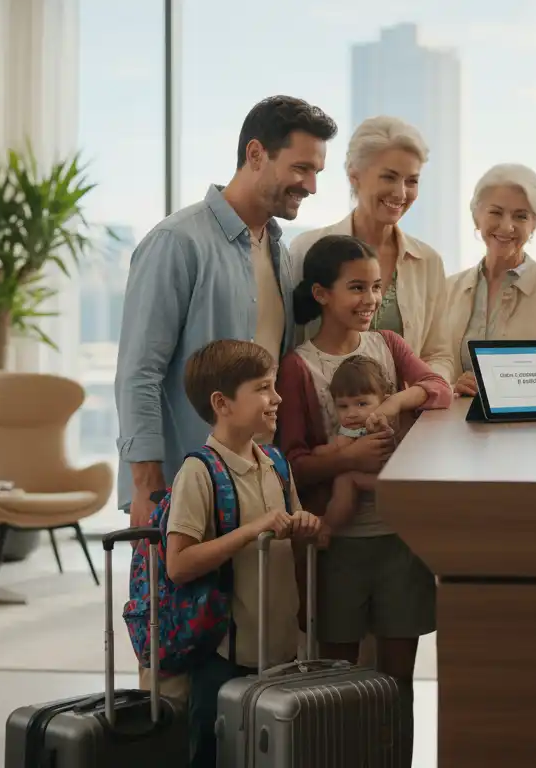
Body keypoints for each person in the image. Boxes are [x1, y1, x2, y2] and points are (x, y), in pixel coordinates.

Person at [115, 95, 338, 531]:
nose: (311, 186)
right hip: (185, 492)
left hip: (257, 487)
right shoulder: (177, 243)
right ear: (256, 155)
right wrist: (145, 485)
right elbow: (139, 372)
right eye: (301, 168)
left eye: (316, 172)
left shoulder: (280, 252)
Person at [275, 234, 452, 717]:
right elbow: (290, 463)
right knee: (336, 689)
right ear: (320, 295)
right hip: (337, 549)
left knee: (399, 685)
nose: (370, 300)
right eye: (356, 288)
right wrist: (350, 461)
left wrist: (395, 401)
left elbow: (438, 388)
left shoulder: (389, 345)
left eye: (376, 287)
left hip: (401, 540)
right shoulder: (297, 366)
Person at [164, 339, 322, 768]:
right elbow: (178, 565)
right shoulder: (198, 473)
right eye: (264, 388)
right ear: (222, 403)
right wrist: (252, 530)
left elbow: (290, 532)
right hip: (224, 662)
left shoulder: (274, 463)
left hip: (282, 655)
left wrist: (305, 526)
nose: (277, 398)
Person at [288, 115, 454, 381]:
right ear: (355, 177)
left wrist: (419, 393)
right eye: (389, 177)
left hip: (408, 420)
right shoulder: (306, 249)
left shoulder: (428, 261)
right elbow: (290, 344)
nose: (401, 194)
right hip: (319, 418)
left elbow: (439, 355)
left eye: (412, 181)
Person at [446, 163, 536, 396]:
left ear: (534, 225)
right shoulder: (448, 289)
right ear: (476, 216)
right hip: (454, 426)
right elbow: (431, 369)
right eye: (495, 212)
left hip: (531, 429)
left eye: (520, 216)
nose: (506, 226)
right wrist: (452, 387)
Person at [311, 355, 395, 541]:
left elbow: (339, 447)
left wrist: (318, 453)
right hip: (379, 480)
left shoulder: (375, 424)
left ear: (385, 401)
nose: (351, 413)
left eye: (361, 404)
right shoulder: (350, 428)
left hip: (390, 482)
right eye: (343, 406)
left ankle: (329, 526)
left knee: (345, 480)